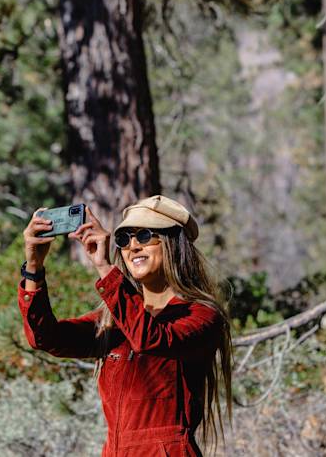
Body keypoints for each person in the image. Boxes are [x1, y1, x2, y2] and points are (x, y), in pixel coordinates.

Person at [18, 195, 232, 457]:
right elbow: (45, 338)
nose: (133, 246)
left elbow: (150, 339)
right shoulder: (114, 319)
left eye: (144, 236)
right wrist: (34, 268)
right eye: (124, 239)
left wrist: (103, 267)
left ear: (174, 244)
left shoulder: (202, 315)